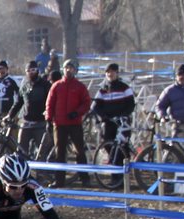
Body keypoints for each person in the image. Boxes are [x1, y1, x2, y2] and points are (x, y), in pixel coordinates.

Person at [45, 59, 91, 187]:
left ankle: (84, 178)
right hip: (59, 124)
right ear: (63, 70)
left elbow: (86, 103)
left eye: (71, 68)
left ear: (75, 70)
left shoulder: (80, 86)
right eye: (66, 68)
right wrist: (49, 119)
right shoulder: (56, 85)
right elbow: (49, 103)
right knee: (59, 153)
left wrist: (77, 112)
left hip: (75, 123)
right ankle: (59, 181)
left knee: (79, 151)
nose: (68, 70)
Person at [90, 62, 135, 165]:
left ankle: (123, 174)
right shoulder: (103, 90)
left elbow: (131, 104)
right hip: (109, 122)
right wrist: (104, 116)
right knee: (107, 143)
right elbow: (95, 106)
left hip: (122, 122)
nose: (110, 74)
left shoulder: (125, 87)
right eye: (108, 72)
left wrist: (123, 115)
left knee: (123, 147)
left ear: (117, 73)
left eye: (112, 72)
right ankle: (115, 171)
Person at [18, 60, 53, 159]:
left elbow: (51, 101)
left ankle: (42, 173)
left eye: (33, 70)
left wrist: (49, 115)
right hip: (26, 122)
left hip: (40, 123)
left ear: (37, 70)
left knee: (42, 151)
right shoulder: (24, 85)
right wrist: (10, 115)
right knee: (21, 150)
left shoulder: (45, 84)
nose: (31, 72)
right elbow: (19, 102)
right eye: (28, 70)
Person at [0, 60, 23, 127]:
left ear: (7, 69)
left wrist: (15, 112)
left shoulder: (13, 81)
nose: (1, 71)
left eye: (3, 68)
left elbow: (20, 97)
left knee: (12, 134)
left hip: (9, 113)